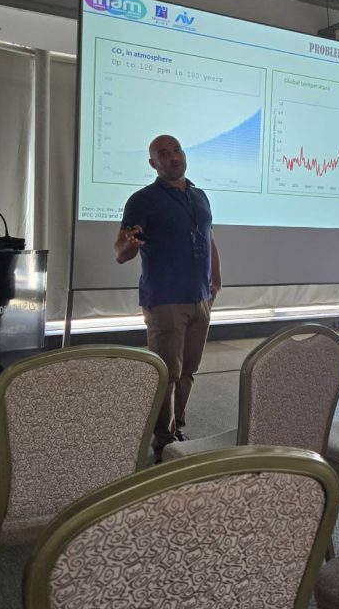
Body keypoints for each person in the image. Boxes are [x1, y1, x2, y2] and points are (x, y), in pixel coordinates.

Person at [115, 134, 222, 461]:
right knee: (167, 372)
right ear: (153, 163)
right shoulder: (142, 200)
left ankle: (176, 428)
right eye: (164, 154)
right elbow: (120, 252)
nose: (173, 157)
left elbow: (208, 236)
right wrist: (130, 245)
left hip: (200, 297)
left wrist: (216, 278)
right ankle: (163, 439)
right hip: (165, 298)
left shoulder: (199, 195)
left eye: (177, 151)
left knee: (188, 370)